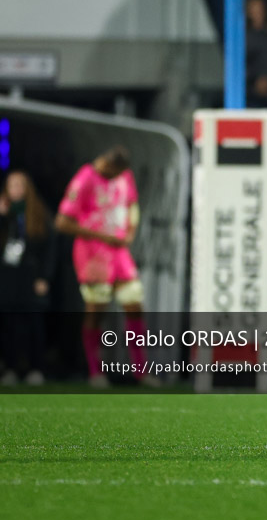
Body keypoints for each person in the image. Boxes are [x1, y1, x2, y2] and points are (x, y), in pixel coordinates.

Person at [55, 146, 156, 388]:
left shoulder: (124, 176)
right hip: (92, 255)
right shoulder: (84, 179)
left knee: (134, 304)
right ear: (106, 164)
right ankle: (95, 372)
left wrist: (130, 231)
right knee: (96, 310)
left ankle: (142, 371)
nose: (115, 177)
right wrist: (101, 235)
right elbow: (62, 222)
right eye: (112, 173)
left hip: (119, 253)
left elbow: (132, 204)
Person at [0, 171, 56, 386]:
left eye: (20, 185)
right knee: (8, 323)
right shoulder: (6, 215)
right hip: (7, 275)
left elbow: (50, 249)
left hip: (31, 274)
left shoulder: (38, 213)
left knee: (34, 322)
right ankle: (11, 367)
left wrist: (44, 277)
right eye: (12, 186)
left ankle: (36, 368)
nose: (16, 190)